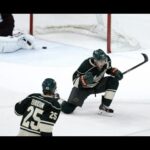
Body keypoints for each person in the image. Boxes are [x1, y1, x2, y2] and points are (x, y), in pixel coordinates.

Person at [61, 49, 123, 116]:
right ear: (95, 60)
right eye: (101, 61)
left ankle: (104, 106)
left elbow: (108, 69)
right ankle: (58, 99)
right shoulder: (86, 65)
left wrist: (114, 71)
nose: (103, 63)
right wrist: (84, 80)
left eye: (104, 60)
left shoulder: (107, 60)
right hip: (83, 89)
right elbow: (74, 80)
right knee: (67, 109)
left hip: (97, 84)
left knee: (113, 81)